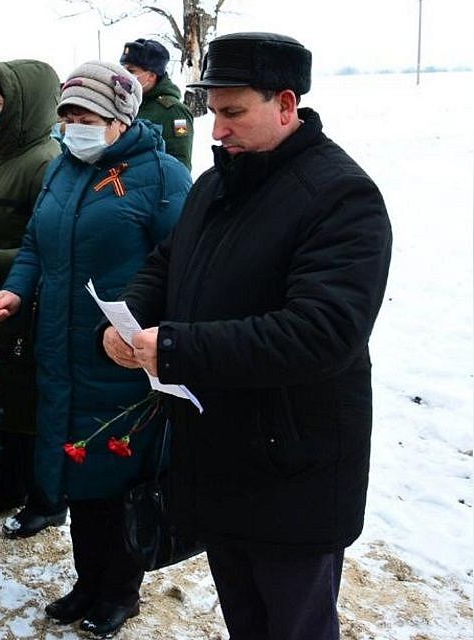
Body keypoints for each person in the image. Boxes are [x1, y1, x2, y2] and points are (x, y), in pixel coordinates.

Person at [102, 32, 393, 640]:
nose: (216, 131)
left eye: (233, 113)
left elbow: (323, 333)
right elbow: (167, 260)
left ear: (286, 104)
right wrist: (128, 316)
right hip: (219, 454)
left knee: (295, 625)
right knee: (245, 618)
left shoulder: (341, 196)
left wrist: (176, 349)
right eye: (213, 112)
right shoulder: (219, 184)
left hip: (293, 466)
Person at [0, 60, 191, 638]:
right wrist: (17, 292)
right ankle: (86, 581)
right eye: (67, 115)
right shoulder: (62, 172)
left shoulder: (165, 177)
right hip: (59, 352)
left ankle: (121, 590)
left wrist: (153, 336)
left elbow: (185, 266)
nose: (75, 126)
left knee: (115, 475)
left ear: (121, 118)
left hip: (123, 358)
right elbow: (34, 246)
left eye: (88, 116)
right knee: (74, 470)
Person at [0, 58, 66, 537]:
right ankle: (6, 485)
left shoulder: (44, 159)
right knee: (1, 394)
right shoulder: (1, 157)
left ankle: (42, 497)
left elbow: (42, 243)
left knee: (27, 401)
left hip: (27, 303)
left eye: (1, 103)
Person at [120, 38, 194, 171]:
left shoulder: (174, 112)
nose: (124, 76)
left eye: (131, 71)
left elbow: (180, 164)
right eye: (123, 70)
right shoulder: (126, 104)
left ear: (151, 76)